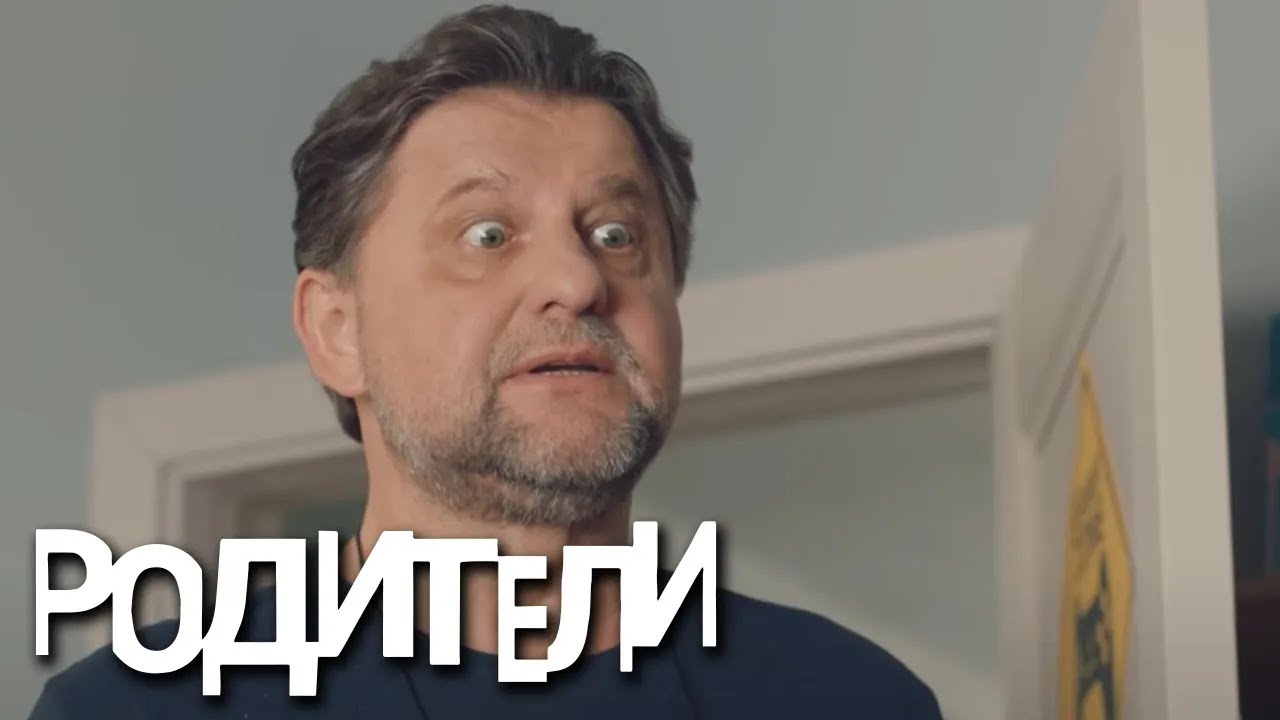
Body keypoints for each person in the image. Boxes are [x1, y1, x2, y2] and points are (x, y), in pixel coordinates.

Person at [29, 5, 943, 718]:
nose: (576, 279)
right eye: (488, 234)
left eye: (616, 234)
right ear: (338, 330)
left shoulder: (851, 700)